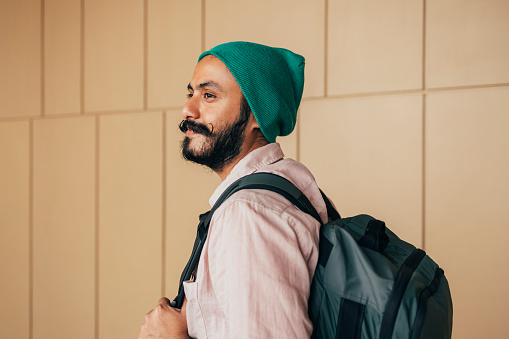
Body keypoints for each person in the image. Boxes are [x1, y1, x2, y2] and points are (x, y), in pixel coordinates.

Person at [139, 41, 328, 339]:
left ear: (256, 115)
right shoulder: (291, 189)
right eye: (192, 93)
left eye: (209, 95)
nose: (187, 109)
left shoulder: (249, 213)